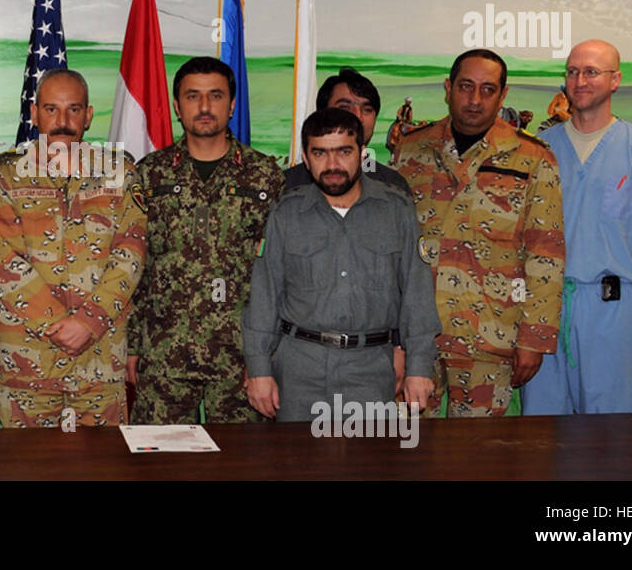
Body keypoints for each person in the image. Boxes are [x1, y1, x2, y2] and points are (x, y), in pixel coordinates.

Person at [391, 49, 565, 417]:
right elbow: (392, 248)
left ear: (503, 96)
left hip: (490, 338)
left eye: (488, 90)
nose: (475, 99)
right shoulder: (410, 150)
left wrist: (534, 337)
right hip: (415, 336)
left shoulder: (532, 157)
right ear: (448, 88)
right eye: (466, 87)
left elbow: (545, 253)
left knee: (475, 461)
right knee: (405, 450)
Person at [242, 109, 437, 421]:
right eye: (320, 153)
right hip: (299, 371)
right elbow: (264, 297)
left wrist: (419, 367)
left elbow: (417, 295)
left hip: (371, 370)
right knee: (296, 466)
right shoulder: (287, 213)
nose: (332, 165)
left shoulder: (395, 210)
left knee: (366, 467)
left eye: (344, 152)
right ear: (306, 158)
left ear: (361, 153)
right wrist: (259, 369)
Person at [522, 40, 632, 414]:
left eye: (592, 72)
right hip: (545, 308)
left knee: (612, 429)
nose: (580, 80)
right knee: (543, 429)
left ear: (616, 80)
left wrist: (618, 285)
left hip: (612, 310)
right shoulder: (538, 149)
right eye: (572, 71)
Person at [0, 68, 146, 428]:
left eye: (74, 109)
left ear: (88, 115)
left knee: (101, 468)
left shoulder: (119, 170)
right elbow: (4, 257)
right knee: (28, 468)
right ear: (34, 113)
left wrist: (88, 323)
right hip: (27, 363)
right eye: (51, 109)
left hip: (99, 361)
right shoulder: (6, 173)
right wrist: (58, 325)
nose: (62, 121)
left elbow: (130, 254)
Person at [129, 57, 284, 424]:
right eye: (192, 96)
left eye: (215, 96)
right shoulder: (150, 174)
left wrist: (269, 353)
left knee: (242, 465)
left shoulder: (265, 176)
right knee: (160, 464)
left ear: (231, 105)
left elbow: (279, 272)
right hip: (164, 353)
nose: (203, 107)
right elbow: (136, 264)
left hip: (242, 355)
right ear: (176, 106)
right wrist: (133, 345)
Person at [284, 67, 410, 194]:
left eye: (367, 109)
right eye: (344, 107)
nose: (358, 116)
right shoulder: (287, 186)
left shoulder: (393, 186)